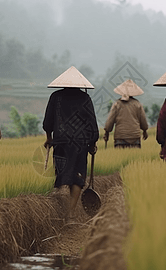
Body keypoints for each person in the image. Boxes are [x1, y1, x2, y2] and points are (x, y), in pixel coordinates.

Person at [43, 66, 99, 219]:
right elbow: (92, 125)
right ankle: (70, 213)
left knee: (62, 175)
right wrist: (92, 142)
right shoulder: (85, 98)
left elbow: (48, 121)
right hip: (80, 144)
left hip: (60, 142)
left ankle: (60, 212)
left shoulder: (55, 97)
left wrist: (49, 137)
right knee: (77, 177)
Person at [103, 79, 149, 148]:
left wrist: (107, 132)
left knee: (119, 158)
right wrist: (145, 130)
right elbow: (143, 120)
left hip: (120, 137)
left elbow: (110, 121)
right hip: (135, 137)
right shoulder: (137, 104)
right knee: (134, 158)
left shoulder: (117, 104)